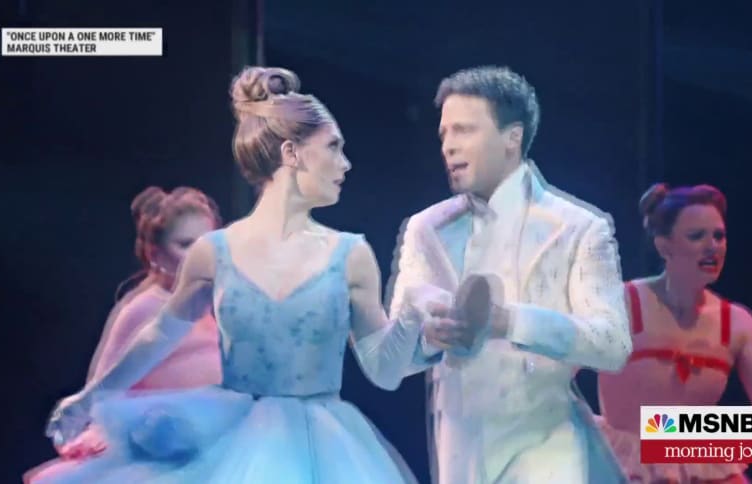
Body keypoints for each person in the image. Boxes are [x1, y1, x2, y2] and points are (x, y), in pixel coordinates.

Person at [40, 66, 475, 483]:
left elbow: (383, 370)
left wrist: (415, 311)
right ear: (291, 153)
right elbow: (160, 334)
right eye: (332, 147)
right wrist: (92, 396)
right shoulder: (214, 252)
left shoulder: (350, 254)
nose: (345, 164)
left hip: (323, 444)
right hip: (231, 438)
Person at [387, 65, 631, 484]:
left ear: (512, 138)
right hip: (463, 447)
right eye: (444, 134)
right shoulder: (427, 229)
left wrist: (510, 321)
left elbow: (612, 344)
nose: (448, 145)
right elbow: (396, 353)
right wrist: (428, 335)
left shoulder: (578, 228)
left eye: (464, 130)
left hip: (548, 442)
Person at [596, 183, 752, 483]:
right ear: (664, 246)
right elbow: (555, 376)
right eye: (696, 236)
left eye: (719, 236)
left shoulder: (737, 323)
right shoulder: (621, 303)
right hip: (623, 468)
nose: (712, 246)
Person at [24, 186, 223, 483]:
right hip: (163, 448)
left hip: (219, 437)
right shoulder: (144, 309)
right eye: (185, 244)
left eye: (207, 242)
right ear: (155, 254)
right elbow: (104, 384)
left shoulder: (216, 302)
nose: (199, 254)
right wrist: (92, 429)